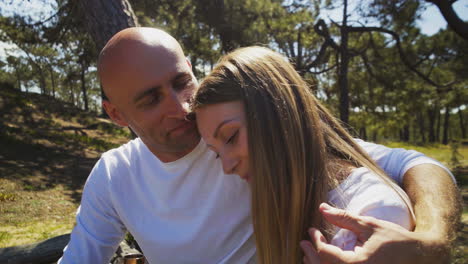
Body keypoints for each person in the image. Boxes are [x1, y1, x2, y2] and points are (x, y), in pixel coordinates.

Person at [58, 27, 460, 264]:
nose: (180, 108)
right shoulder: (114, 175)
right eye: (149, 99)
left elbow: (414, 164)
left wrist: (431, 240)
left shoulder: (257, 134)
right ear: (117, 115)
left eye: (181, 82)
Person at [192, 46, 417, 263]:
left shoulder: (371, 216)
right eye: (217, 154)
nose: (227, 167)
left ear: (279, 115)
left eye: (231, 137)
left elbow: (413, 162)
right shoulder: (285, 199)